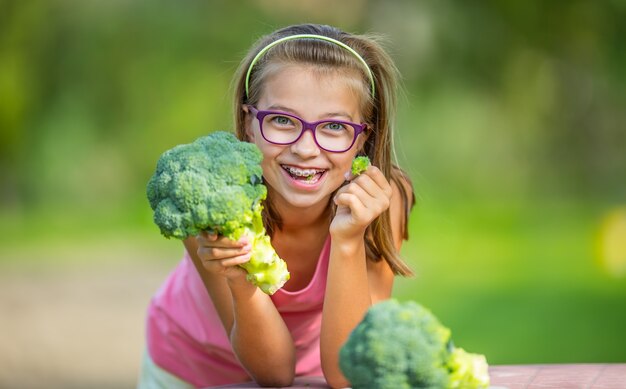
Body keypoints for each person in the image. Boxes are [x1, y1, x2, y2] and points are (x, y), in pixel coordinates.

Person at [138, 23, 415, 389]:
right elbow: (273, 374)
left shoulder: (383, 202)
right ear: (248, 123)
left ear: (364, 137)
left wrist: (348, 240)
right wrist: (240, 276)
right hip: (192, 370)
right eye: (282, 120)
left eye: (334, 126)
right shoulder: (213, 198)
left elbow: (350, 374)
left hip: (317, 374)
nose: (305, 148)